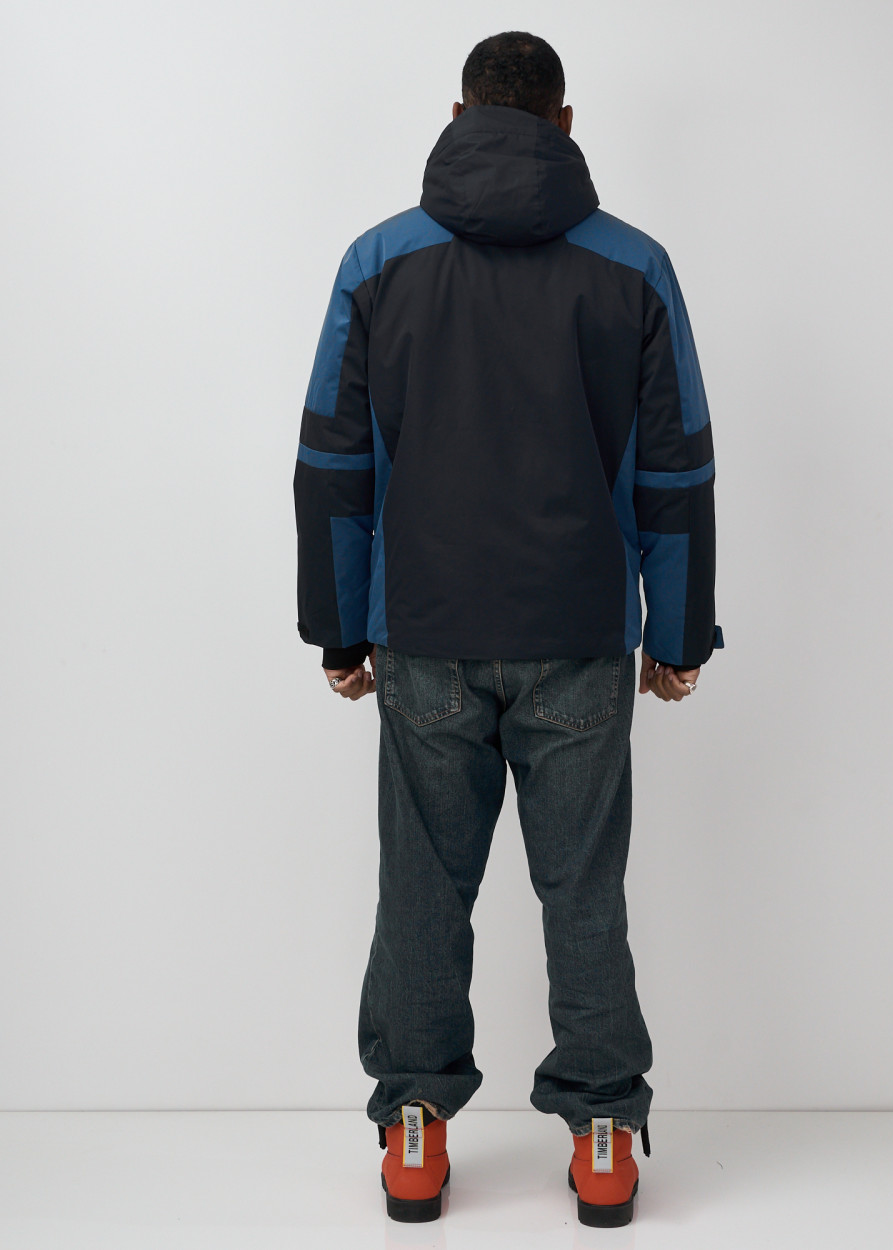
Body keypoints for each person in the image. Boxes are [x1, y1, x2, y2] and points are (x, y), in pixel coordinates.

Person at [293, 30, 724, 1227]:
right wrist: (677, 632)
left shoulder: (378, 261)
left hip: (424, 630)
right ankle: (603, 1134)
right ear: (564, 125)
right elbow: (677, 465)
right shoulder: (634, 266)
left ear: (458, 115)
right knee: (582, 887)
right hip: (577, 633)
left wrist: (339, 628)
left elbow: (331, 460)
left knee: (422, 887)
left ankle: (415, 1128)